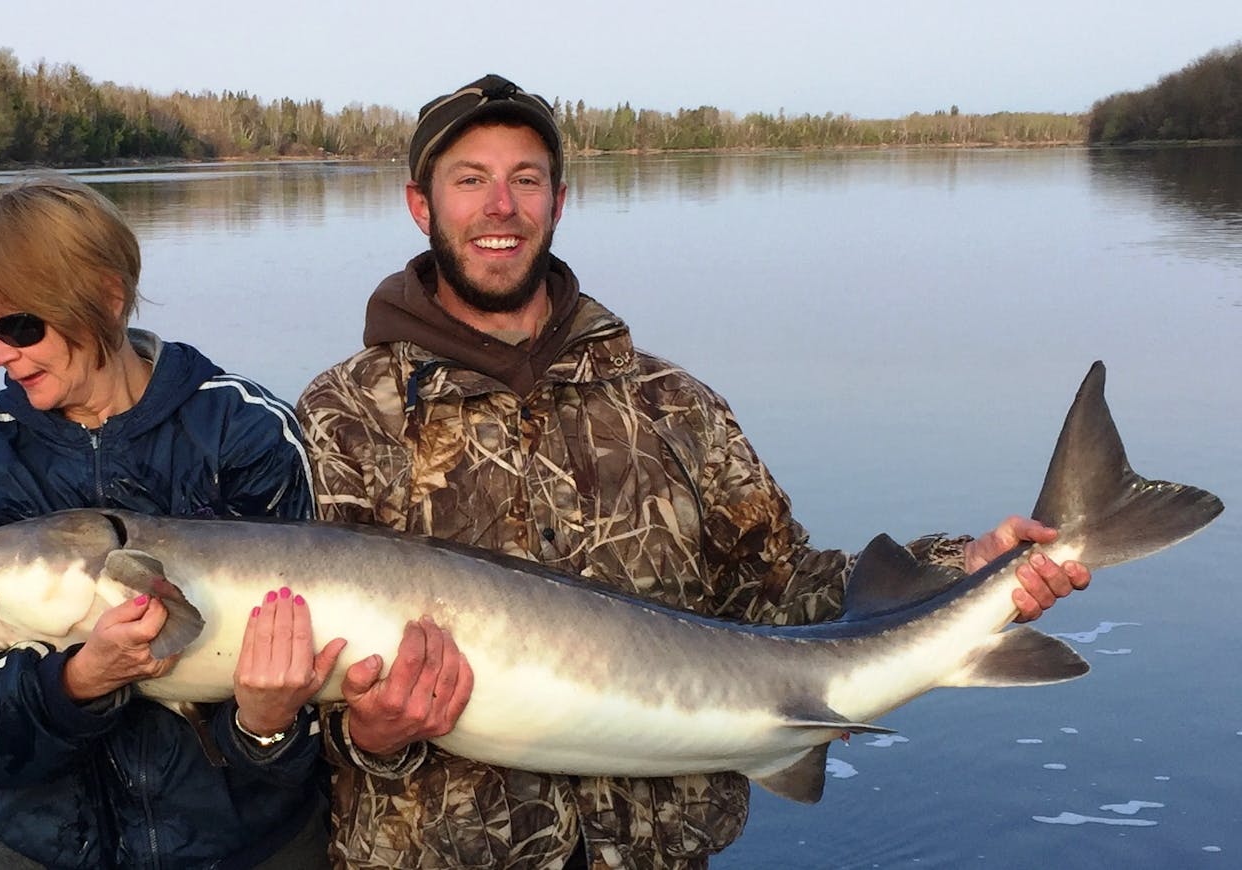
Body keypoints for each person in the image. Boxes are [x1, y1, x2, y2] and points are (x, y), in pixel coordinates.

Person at [295, 74, 1092, 869]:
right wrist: (371, 731)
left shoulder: (671, 401)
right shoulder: (348, 413)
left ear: (557, 203)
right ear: (420, 205)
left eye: (524, 179)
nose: (500, 205)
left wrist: (965, 571)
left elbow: (783, 589)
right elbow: (284, 701)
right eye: (470, 180)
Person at [0, 173, 343, 869]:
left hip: (249, 847)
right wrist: (73, 686)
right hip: (40, 851)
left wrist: (263, 729)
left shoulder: (245, 431)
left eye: (20, 326)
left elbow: (314, 704)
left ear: (106, 296)